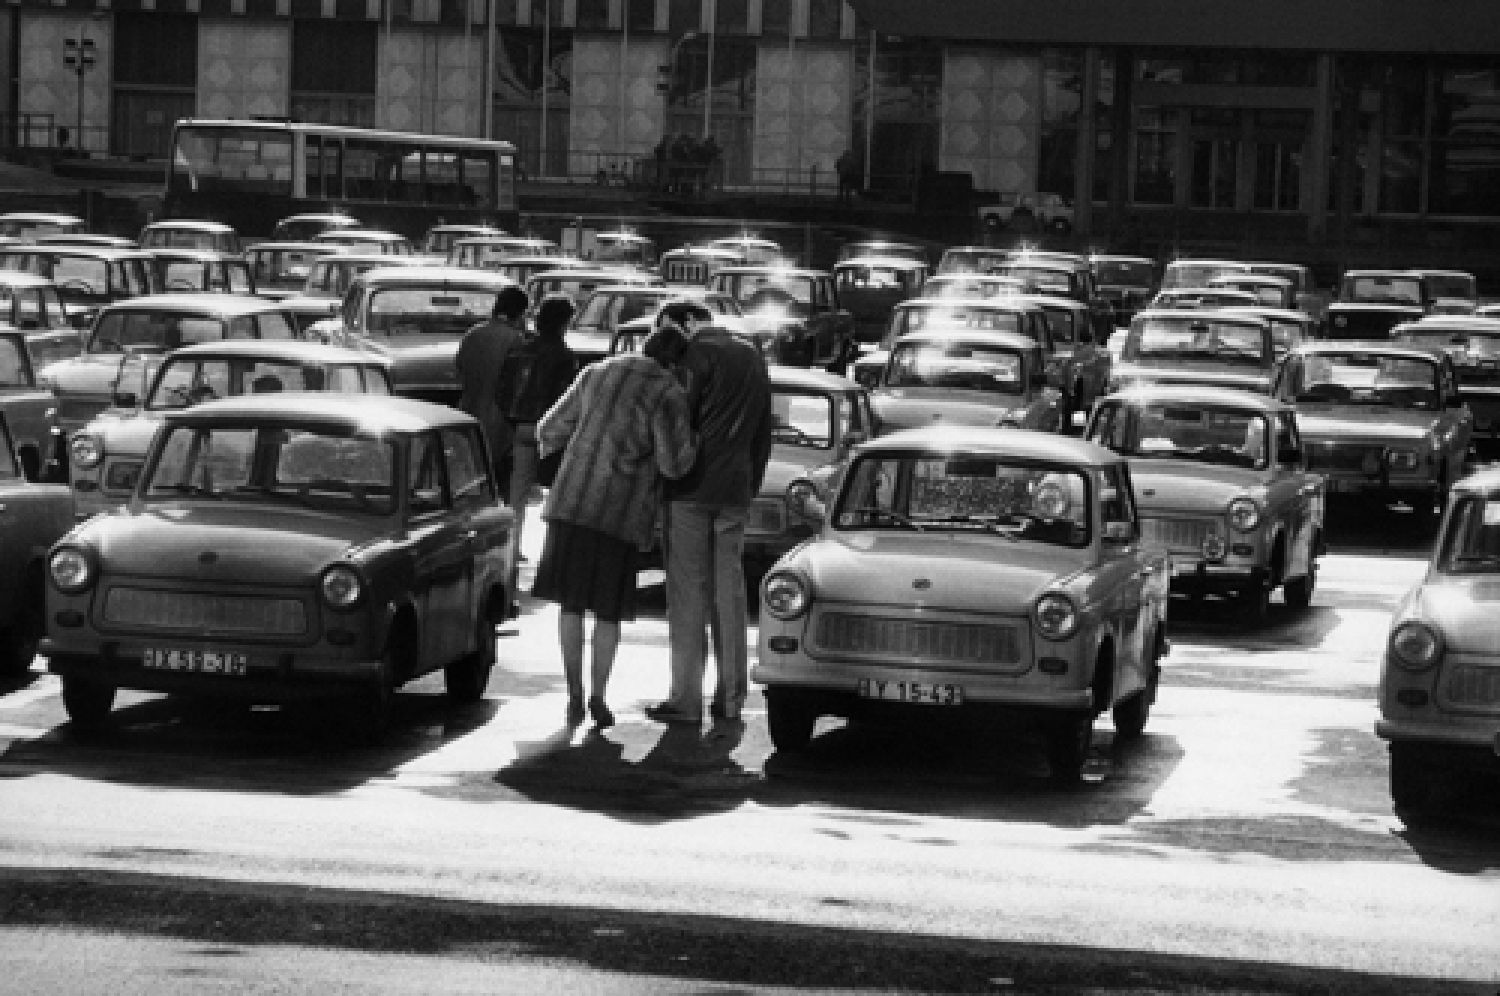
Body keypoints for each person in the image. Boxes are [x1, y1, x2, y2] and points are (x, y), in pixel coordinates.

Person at [532, 325, 698, 729]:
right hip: (620, 516)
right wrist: (696, 441)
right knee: (607, 611)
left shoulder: (597, 372)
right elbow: (673, 464)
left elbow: (548, 428)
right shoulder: (667, 392)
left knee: (570, 604)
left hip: (570, 505)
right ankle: (597, 697)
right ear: (675, 361)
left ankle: (572, 693)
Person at [647, 300, 774, 726]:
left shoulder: (692, 356)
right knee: (730, 593)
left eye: (668, 328)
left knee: (687, 595)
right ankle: (732, 695)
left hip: (690, 489)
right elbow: (763, 433)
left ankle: (686, 698)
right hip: (735, 486)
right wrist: (749, 484)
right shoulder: (753, 357)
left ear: (687, 322)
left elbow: (678, 425)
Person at [497, 292, 579, 606]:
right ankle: (554, 562)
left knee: (516, 498)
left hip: (519, 426)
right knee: (557, 498)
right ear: (563, 323)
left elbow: (502, 390)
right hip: (552, 432)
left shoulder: (520, 350)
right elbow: (566, 401)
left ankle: (509, 555)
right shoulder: (562, 355)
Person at [455, 284, 530, 495]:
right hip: (500, 422)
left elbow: (461, 368)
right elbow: (516, 383)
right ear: (521, 312)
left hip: (468, 413)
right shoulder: (516, 340)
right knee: (498, 485)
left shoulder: (473, 334)